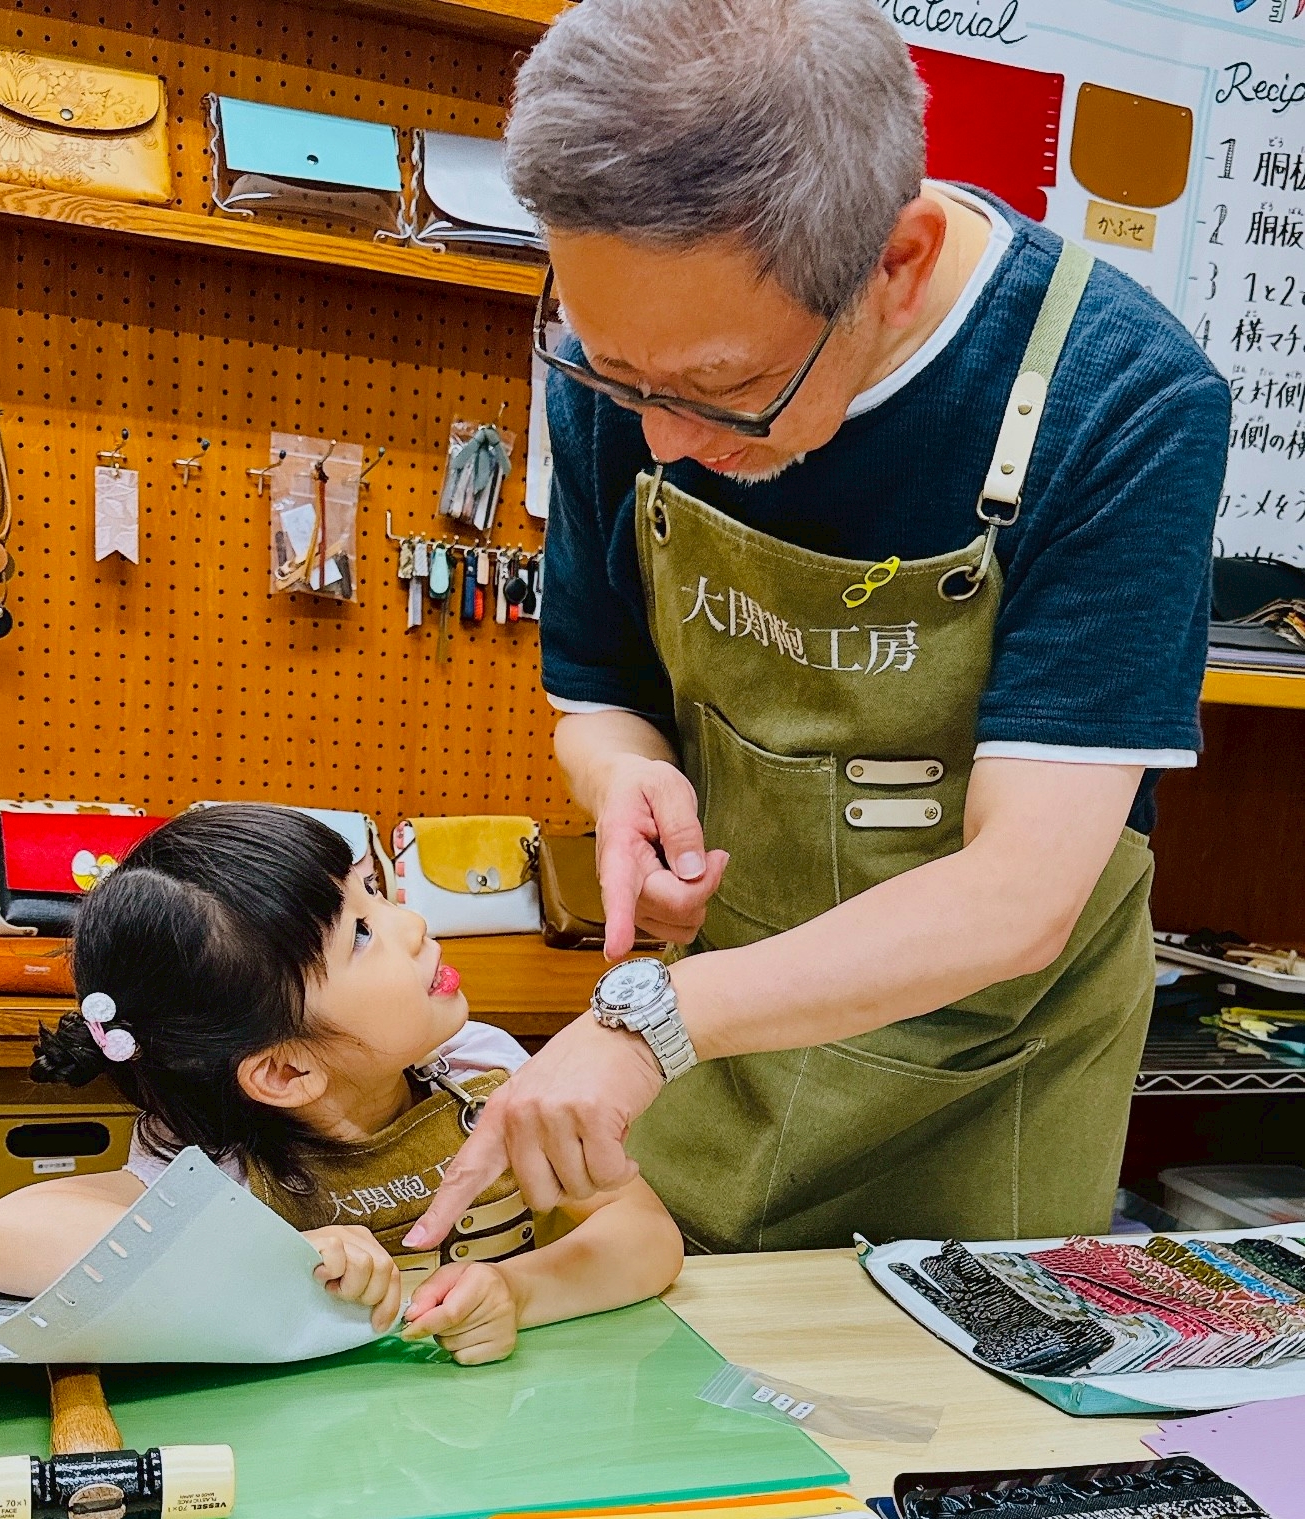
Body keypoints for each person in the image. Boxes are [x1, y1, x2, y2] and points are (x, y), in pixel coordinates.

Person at [404, 0, 1232, 1258]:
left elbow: (1021, 893)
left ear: (896, 261)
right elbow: (598, 691)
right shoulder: (637, 351)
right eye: (616, 375)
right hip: (710, 1059)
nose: (661, 436)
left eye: (725, 387)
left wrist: (650, 1022)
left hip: (979, 1091)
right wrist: (623, 774)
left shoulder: (1122, 401)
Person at [0, 807, 682, 1363]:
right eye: (360, 934)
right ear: (285, 1071)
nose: (412, 924)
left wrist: (519, 1293)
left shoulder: (479, 1071)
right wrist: (273, 1257)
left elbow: (644, 1235)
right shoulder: (221, 1165)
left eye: (374, 894)